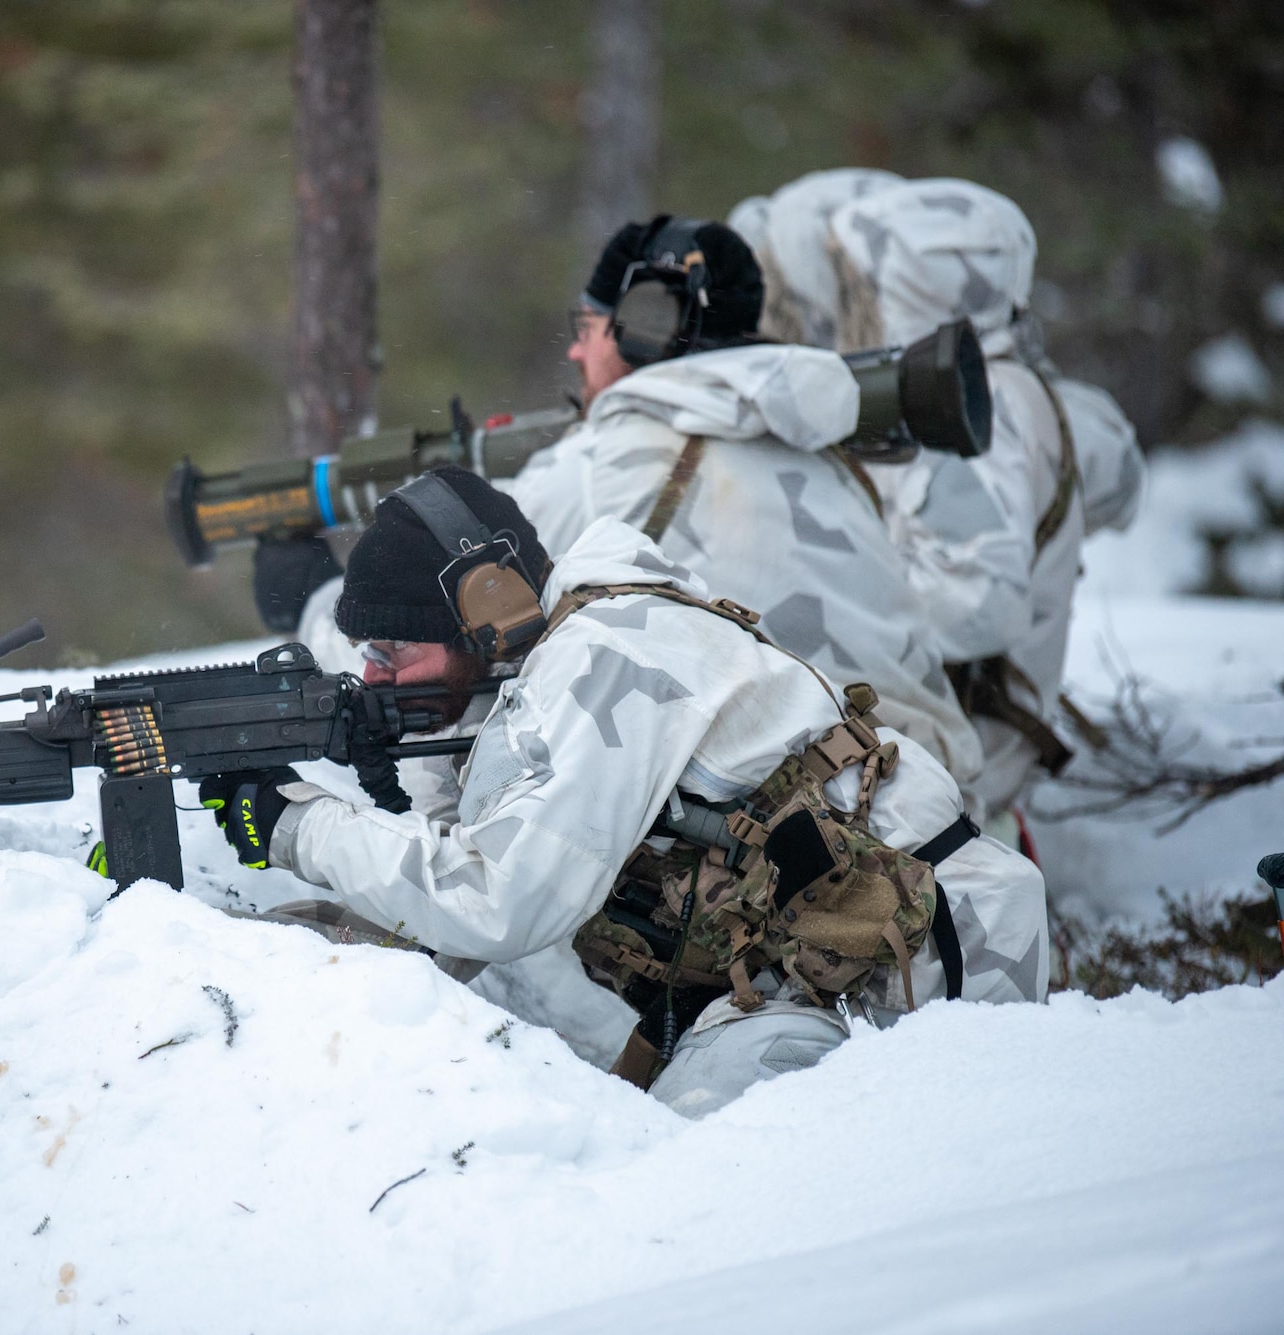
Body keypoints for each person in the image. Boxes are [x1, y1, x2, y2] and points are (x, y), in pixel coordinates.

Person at [207, 466, 1047, 1116]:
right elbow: (447, 911)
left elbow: (497, 903)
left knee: (725, 1164)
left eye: (392, 648)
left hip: (935, 951)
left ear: (484, 605)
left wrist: (299, 828)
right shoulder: (546, 662)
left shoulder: (607, 656)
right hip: (824, 961)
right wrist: (247, 949)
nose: (375, 672)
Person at [502, 215, 985, 791]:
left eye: (587, 327)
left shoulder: (595, 465)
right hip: (937, 803)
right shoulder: (831, 456)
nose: (577, 353)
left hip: (814, 840)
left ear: (645, 328)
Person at [732, 173, 1146, 826]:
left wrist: (814, 616)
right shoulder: (997, 389)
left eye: (863, 281)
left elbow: (976, 605)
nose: (849, 302)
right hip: (929, 750)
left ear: (913, 289)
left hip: (942, 776)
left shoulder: (978, 418)